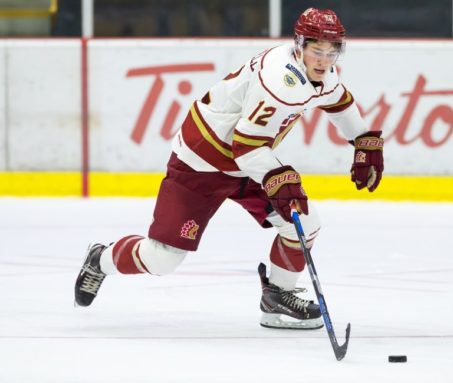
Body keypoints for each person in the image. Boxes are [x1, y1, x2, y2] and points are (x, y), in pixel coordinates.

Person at [74, 7, 384, 330]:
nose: (323, 59)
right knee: (162, 259)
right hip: (202, 161)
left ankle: (278, 297)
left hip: (247, 160)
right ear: (299, 46)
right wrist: (277, 177)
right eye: (316, 50)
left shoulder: (322, 72)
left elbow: (338, 101)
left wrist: (362, 139)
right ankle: (100, 259)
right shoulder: (282, 81)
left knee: (304, 223)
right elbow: (245, 147)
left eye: (331, 51)